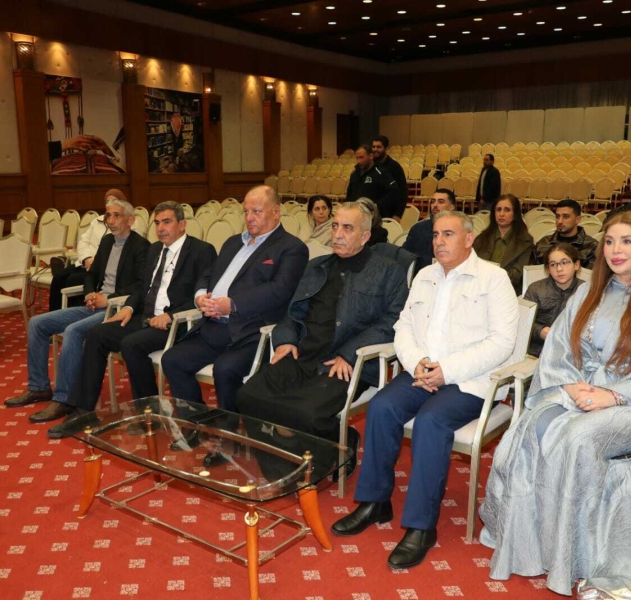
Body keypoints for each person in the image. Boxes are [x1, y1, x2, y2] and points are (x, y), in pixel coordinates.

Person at [479, 207, 631, 596]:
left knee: (578, 438)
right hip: (580, 391)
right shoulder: (589, 291)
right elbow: (559, 348)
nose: (615, 250)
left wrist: (613, 395)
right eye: (609, 241)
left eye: (626, 241)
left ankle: (574, 557)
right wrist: (571, 387)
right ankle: (536, 546)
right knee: (530, 426)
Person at [331, 211, 519, 569]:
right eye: (435, 235)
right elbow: (403, 327)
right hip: (422, 372)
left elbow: (502, 343)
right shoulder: (424, 276)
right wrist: (416, 361)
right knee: (382, 406)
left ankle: (421, 526)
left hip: (469, 380)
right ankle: (375, 502)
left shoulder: (493, 279)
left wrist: (447, 371)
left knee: (431, 422)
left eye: (448, 234)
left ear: (469, 238)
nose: (439, 241)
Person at [236, 201, 408, 447]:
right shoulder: (316, 266)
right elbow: (292, 311)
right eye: (335, 226)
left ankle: (333, 447)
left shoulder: (389, 272)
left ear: (365, 236)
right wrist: (285, 340)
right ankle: (295, 456)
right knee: (247, 397)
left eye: (347, 228)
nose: (337, 234)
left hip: (345, 364)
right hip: (302, 354)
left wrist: (349, 353)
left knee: (301, 414)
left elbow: (393, 321)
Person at [46, 202, 217, 439]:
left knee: (131, 344)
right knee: (96, 334)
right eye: (157, 223)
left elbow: (203, 293)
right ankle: (83, 410)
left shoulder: (201, 251)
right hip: (145, 316)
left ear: (182, 224)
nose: (161, 228)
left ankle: (149, 413)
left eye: (167, 222)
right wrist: (128, 307)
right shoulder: (155, 249)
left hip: (177, 322)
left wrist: (170, 315)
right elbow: (141, 287)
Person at [159, 186, 307, 433]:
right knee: (172, 360)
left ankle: (230, 436)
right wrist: (200, 296)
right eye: (246, 211)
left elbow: (280, 290)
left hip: (250, 332)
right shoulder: (232, 243)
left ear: (276, 212)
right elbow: (208, 274)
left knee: (225, 370)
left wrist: (233, 304)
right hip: (213, 326)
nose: (249, 217)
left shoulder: (291, 247)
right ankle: (197, 425)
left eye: (256, 211)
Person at [4, 198, 150, 423]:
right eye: (108, 215)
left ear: (130, 220)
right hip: (95, 304)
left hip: (116, 309)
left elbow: (140, 286)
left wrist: (108, 299)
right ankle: (39, 386)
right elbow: (91, 274)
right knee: (37, 323)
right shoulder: (107, 241)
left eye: (116, 215)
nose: (110, 220)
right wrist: (90, 293)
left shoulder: (142, 247)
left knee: (73, 331)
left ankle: (65, 399)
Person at [48, 191, 118, 311]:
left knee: (72, 280)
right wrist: (86, 258)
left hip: (100, 268)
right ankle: (55, 314)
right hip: (84, 262)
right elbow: (83, 242)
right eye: (107, 201)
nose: (110, 203)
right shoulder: (97, 221)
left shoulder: (123, 224)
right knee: (58, 278)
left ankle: (71, 314)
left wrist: (95, 262)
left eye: (113, 200)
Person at [523, 242, 584, 357]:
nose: (559, 269)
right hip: (535, 351)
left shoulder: (586, 291)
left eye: (564, 262)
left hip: (571, 353)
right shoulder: (536, 289)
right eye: (553, 264)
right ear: (547, 269)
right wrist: (540, 331)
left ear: (576, 265)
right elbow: (523, 321)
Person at [471, 194, 533, 292]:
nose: (501, 214)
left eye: (507, 210)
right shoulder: (481, 239)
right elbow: (472, 265)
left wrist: (490, 280)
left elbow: (517, 275)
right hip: (479, 288)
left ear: (515, 214)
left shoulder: (525, 241)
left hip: (508, 289)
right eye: (498, 209)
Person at [531, 199, 598, 268]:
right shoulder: (543, 243)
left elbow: (591, 274)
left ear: (577, 219)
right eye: (557, 216)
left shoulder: (591, 246)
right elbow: (532, 271)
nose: (560, 221)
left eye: (566, 216)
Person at [345, 144, 405, 220]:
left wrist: (376, 206)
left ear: (370, 156)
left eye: (361, 157)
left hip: (376, 217)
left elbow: (393, 192)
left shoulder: (381, 172)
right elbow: (349, 194)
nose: (358, 161)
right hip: (357, 216)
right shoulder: (355, 174)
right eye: (357, 158)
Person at [403, 188, 456, 272]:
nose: (435, 205)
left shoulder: (459, 230)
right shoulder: (417, 228)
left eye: (441, 202)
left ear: (451, 207)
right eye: (433, 201)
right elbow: (404, 256)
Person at [372, 135, 409, 219]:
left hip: (389, 213)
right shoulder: (371, 165)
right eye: (373, 147)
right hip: (373, 213)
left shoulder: (394, 166)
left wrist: (398, 214)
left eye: (378, 147)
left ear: (386, 149)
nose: (375, 149)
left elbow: (403, 191)